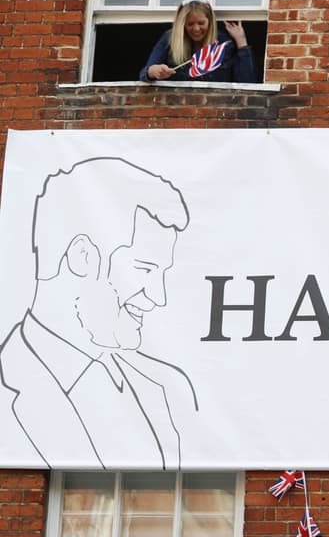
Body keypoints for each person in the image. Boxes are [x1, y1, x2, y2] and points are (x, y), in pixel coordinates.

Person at [0, 157, 197, 469]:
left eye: (162, 272)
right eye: (144, 269)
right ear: (82, 257)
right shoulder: (7, 385)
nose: (158, 297)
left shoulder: (168, 388)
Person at [141, 0, 255, 83]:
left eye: (201, 23)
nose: (196, 29)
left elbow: (248, 82)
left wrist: (241, 42)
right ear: (183, 24)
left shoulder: (224, 44)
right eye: (190, 24)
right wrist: (153, 71)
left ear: (210, 21)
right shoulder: (169, 39)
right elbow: (144, 74)